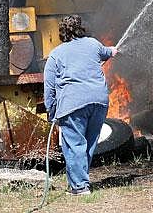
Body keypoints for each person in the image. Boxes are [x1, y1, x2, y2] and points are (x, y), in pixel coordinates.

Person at [44, 15, 118, 195]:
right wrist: (115, 50)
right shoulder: (93, 44)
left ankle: (79, 187)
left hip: (73, 104)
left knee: (74, 145)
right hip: (99, 102)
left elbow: (49, 86)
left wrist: (51, 110)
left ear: (62, 32)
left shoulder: (56, 54)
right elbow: (109, 52)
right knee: (88, 143)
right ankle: (78, 182)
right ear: (81, 29)